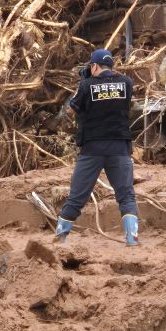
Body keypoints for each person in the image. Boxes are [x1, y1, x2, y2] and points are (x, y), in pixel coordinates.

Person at [55, 49, 140, 246]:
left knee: (76, 196)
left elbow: (70, 110)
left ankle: (60, 239)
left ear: (93, 66)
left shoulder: (86, 85)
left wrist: (84, 85)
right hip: (119, 148)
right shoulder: (126, 83)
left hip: (92, 149)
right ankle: (132, 239)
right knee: (126, 195)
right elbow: (118, 91)